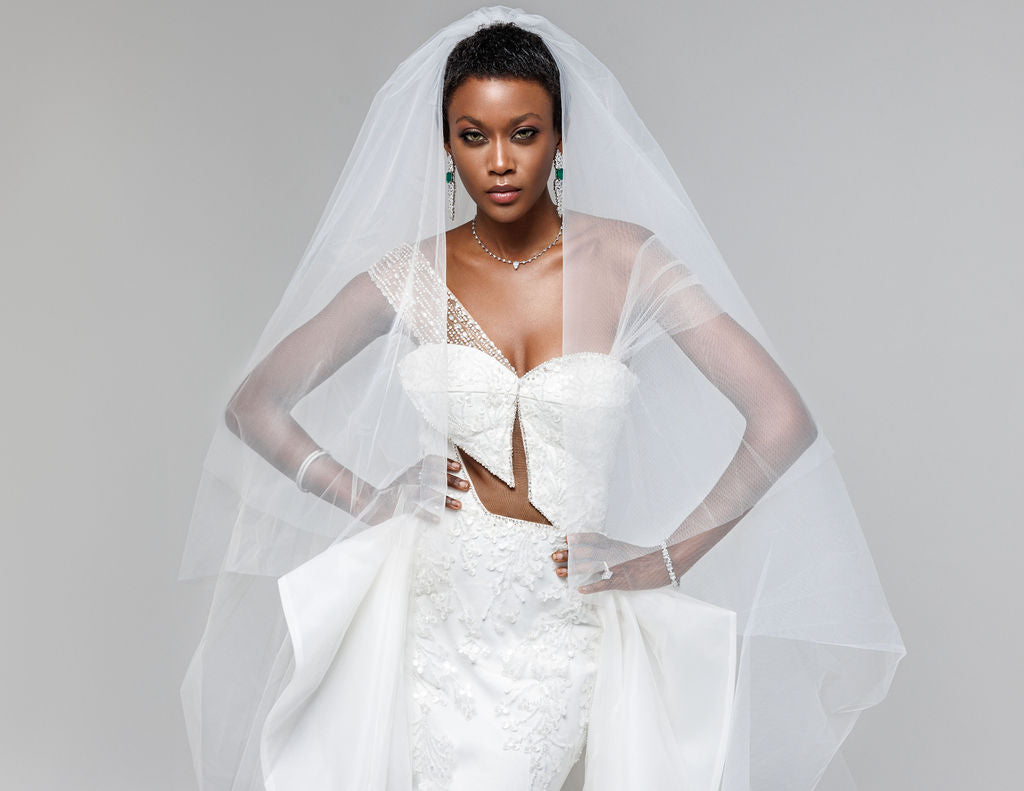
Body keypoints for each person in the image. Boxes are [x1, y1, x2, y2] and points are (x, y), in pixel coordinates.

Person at [179, 7, 906, 790]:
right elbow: (255, 402)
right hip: (429, 616)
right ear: (446, 145)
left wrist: (666, 558)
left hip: (565, 621)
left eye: (523, 133)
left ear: (561, 139)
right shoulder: (414, 274)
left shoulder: (626, 259)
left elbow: (781, 418)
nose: (499, 161)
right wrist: (367, 498)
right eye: (473, 136)